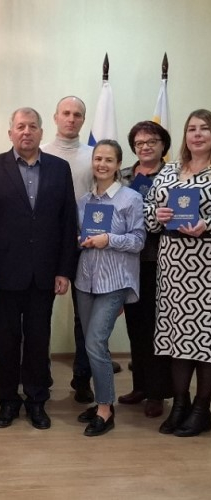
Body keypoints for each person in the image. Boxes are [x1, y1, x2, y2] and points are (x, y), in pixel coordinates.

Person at [0, 107, 77, 430]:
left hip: (44, 274)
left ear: (42, 132)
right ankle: (7, 402)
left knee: (38, 341)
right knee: (6, 341)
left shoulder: (59, 169)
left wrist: (64, 270)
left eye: (32, 126)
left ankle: (36, 401)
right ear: (10, 133)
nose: (26, 131)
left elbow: (67, 222)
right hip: (3, 275)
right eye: (20, 126)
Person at [145, 109, 211, 437]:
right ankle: (180, 405)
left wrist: (207, 224)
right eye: (191, 129)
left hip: (206, 268)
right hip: (172, 268)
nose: (197, 134)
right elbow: (148, 214)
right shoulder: (170, 170)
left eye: (204, 128)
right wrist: (157, 214)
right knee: (177, 340)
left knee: (206, 342)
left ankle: (201, 409)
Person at [75, 140, 145, 436]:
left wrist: (109, 239)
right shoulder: (83, 200)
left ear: (118, 165)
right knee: (91, 344)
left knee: (95, 343)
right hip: (85, 280)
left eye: (108, 160)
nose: (102, 164)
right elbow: (80, 235)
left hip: (115, 281)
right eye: (98, 158)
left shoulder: (131, 198)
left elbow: (138, 241)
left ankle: (105, 408)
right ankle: (102, 400)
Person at [41, 96, 95, 403]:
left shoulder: (93, 156)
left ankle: (82, 378)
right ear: (55, 117)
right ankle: (41, 374)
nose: (71, 119)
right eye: (66, 113)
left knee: (84, 318)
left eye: (77, 114)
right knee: (40, 313)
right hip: (50, 246)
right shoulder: (41, 153)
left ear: (83, 120)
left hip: (88, 246)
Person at [118, 121, 173, 418]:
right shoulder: (124, 175)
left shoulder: (174, 174)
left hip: (161, 261)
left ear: (163, 144)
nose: (145, 147)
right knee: (135, 326)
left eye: (152, 141)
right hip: (128, 261)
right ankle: (140, 385)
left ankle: (157, 392)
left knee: (156, 328)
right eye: (139, 143)